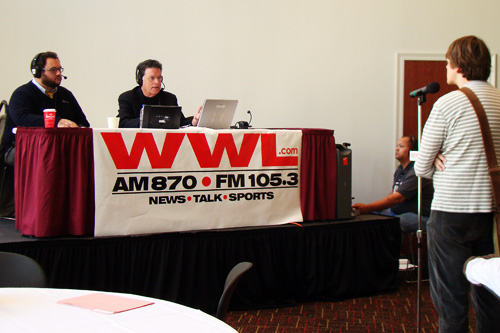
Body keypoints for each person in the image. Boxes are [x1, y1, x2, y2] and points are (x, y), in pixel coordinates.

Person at [415, 35, 500, 332]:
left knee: (451, 303)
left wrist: (438, 155)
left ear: (459, 66)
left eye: (448, 62)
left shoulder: (447, 104)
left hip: (451, 213)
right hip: (493, 215)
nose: (446, 68)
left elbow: (422, 167)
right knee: (490, 299)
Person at [352, 135, 433, 233]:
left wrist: (367, 207)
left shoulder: (416, 171)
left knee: (391, 225)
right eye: (397, 146)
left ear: (412, 151)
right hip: (395, 212)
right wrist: (369, 209)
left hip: (419, 216)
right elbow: (393, 194)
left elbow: (397, 198)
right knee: (371, 217)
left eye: (401, 146)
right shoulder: (400, 170)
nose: (397, 149)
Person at [117, 59, 200, 128]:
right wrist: (149, 120)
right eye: (151, 78)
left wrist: (194, 121)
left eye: (159, 78)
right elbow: (123, 123)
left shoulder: (169, 98)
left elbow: (180, 121)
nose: (157, 82)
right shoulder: (128, 97)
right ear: (140, 80)